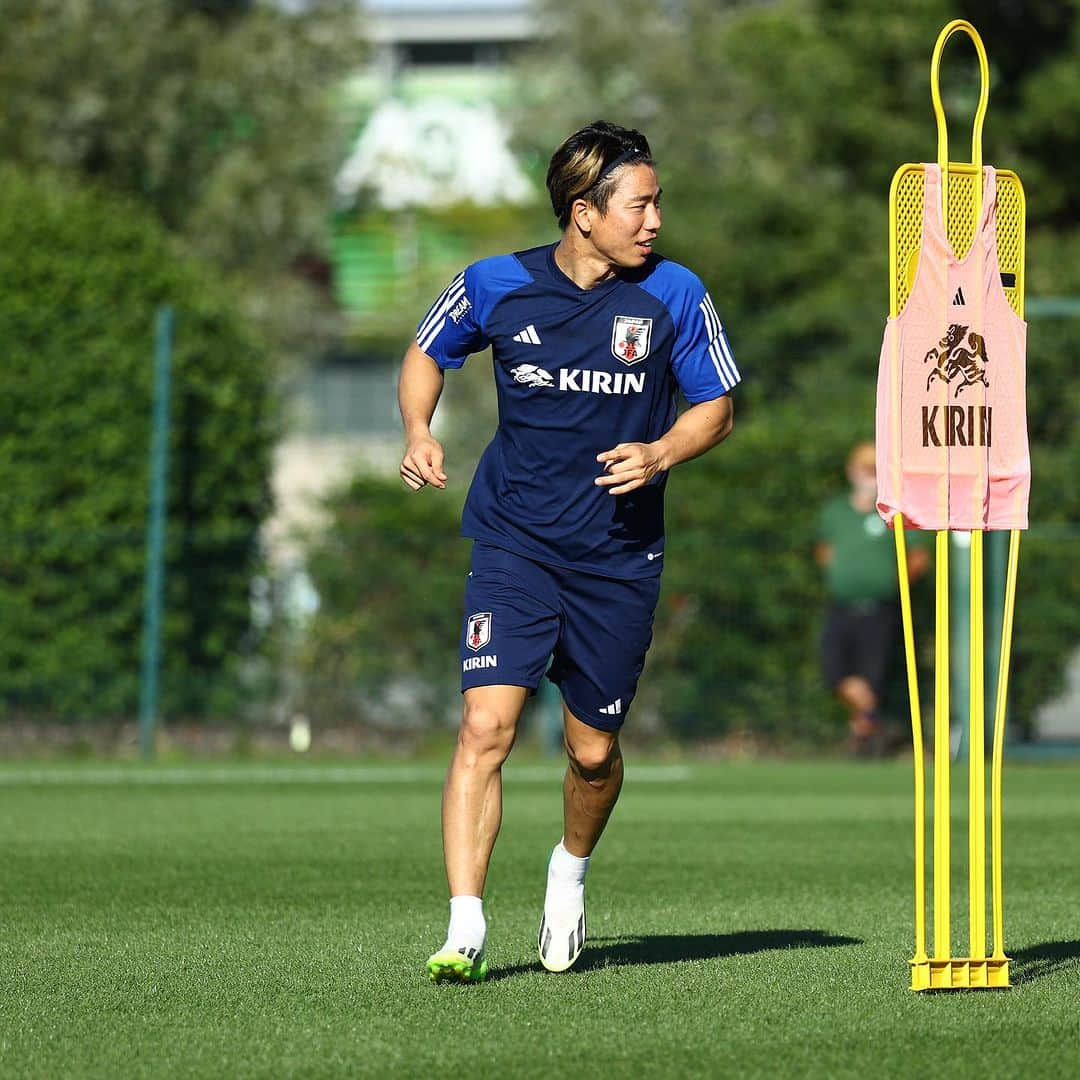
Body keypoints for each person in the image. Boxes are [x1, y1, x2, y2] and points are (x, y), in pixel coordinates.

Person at [398, 121, 740, 984]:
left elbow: (718, 409)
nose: (656, 219)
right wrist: (417, 428)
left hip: (618, 558)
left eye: (658, 201)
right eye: (642, 203)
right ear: (584, 213)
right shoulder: (496, 283)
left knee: (592, 753)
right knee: (487, 726)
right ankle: (465, 925)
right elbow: (425, 352)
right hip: (514, 543)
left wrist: (661, 453)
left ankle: (568, 875)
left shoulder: (675, 295)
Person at [815, 442, 929, 755]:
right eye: (864, 469)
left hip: (878, 608)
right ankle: (869, 724)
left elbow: (918, 556)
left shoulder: (894, 512)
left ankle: (865, 733)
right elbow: (824, 550)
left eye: (874, 470)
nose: (869, 476)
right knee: (834, 671)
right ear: (852, 471)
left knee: (872, 674)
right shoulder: (836, 511)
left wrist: (890, 583)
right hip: (841, 606)